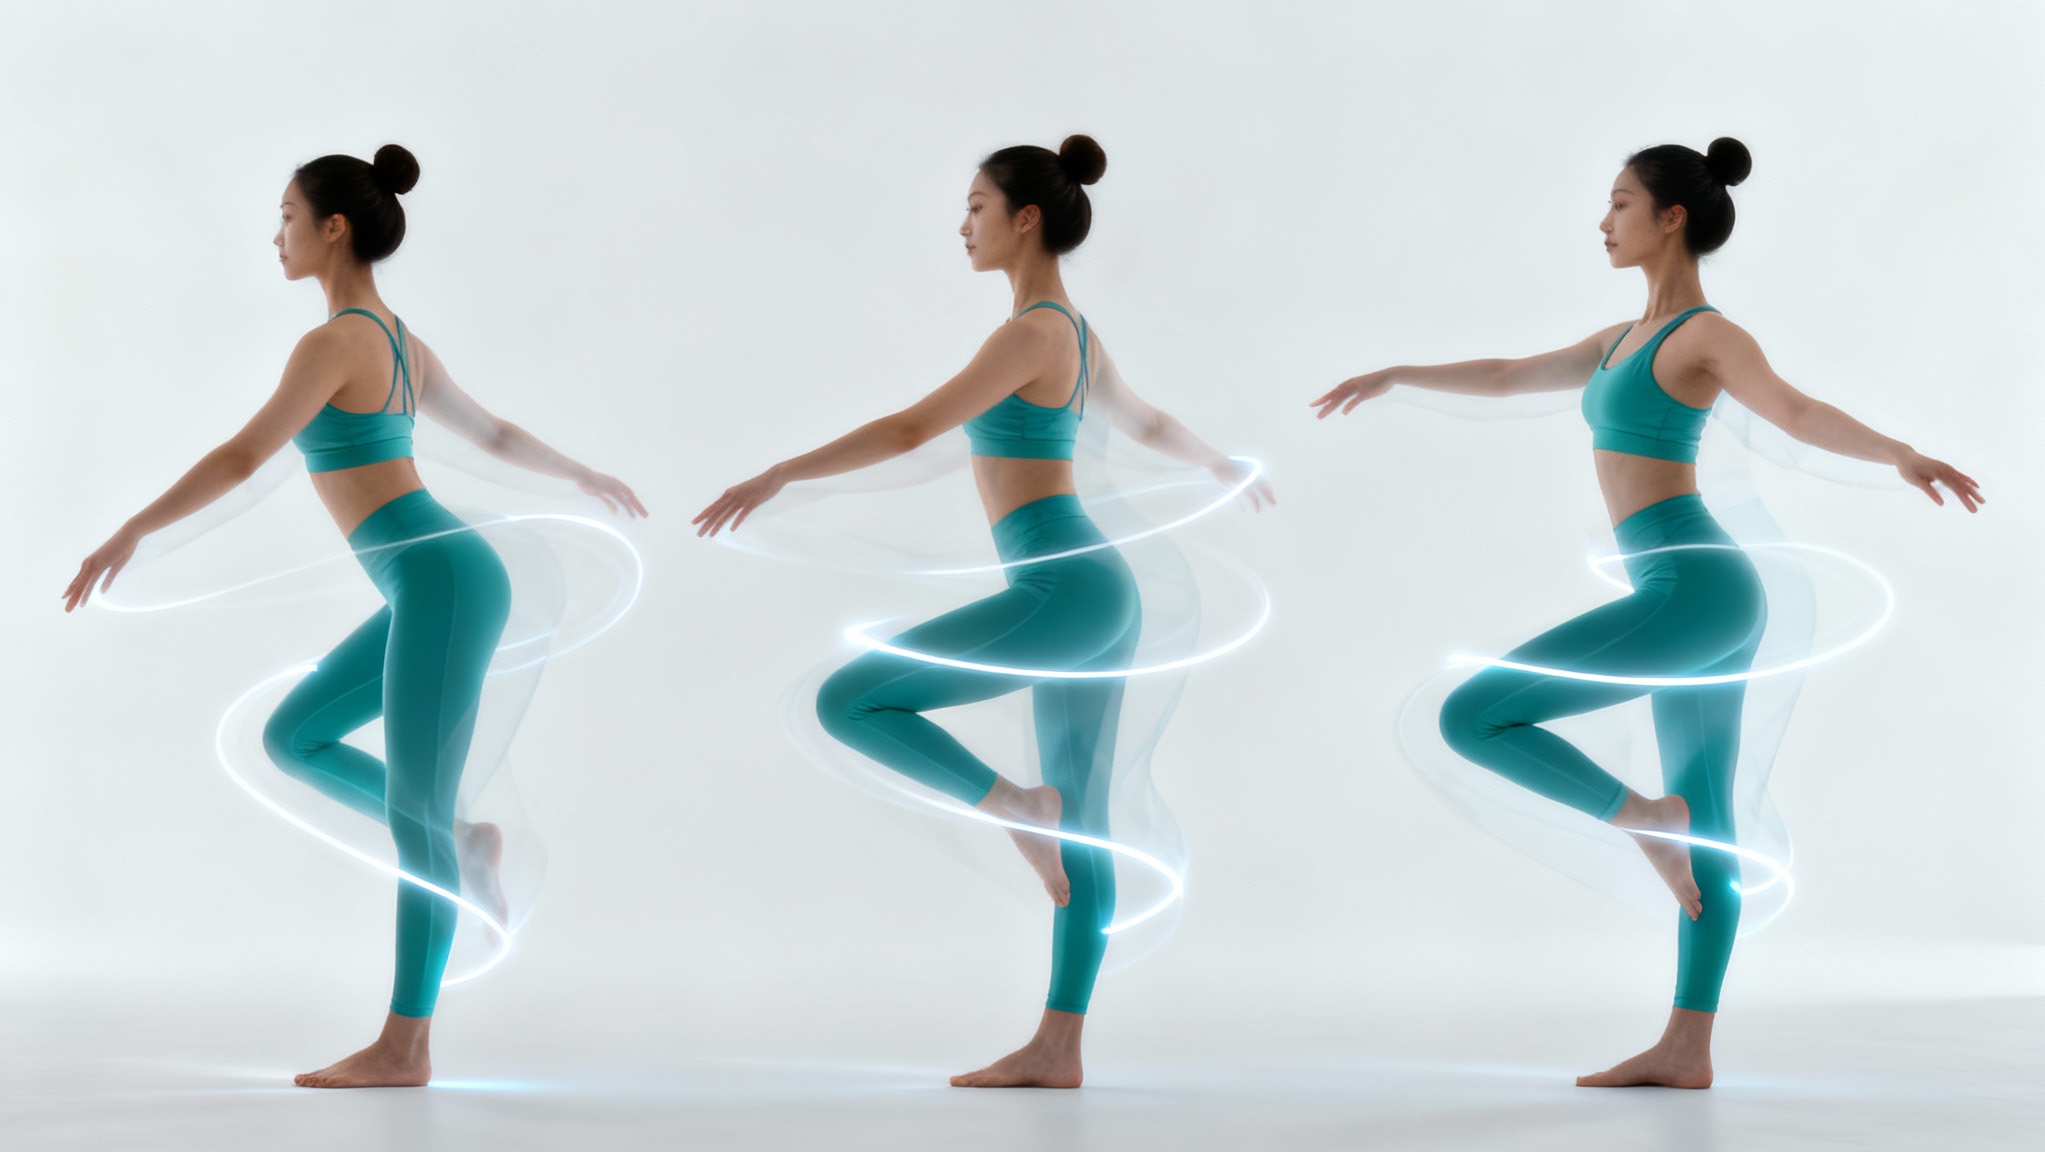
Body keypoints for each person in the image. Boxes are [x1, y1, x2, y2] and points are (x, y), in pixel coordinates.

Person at [1311, 137, 1981, 1088]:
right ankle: (1687, 1048)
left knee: (1474, 714)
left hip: (1696, 588)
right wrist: (1400, 373)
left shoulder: (1706, 335)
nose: (1604, 220)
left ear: (1672, 217)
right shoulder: (1618, 340)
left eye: (1621, 203)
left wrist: (1899, 451)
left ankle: (1644, 822)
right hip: (1682, 592)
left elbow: (1791, 411)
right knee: (1709, 822)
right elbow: (1507, 375)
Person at [63, 144, 646, 1088]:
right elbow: (490, 435)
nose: (278, 233)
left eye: (288, 215)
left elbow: (246, 454)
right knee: (295, 735)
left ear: (333, 226)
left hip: (443, 582)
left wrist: (133, 529)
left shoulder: (337, 342)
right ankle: (461, 844)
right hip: (433, 582)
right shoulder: (396, 338)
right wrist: (575, 472)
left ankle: (404, 1046)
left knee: (412, 812)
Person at [695, 135, 1271, 1088]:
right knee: (1082, 821)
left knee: (854, 701)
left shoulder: (1031, 334)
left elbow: (913, 426)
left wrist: (782, 471)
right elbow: (1148, 420)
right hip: (1089, 592)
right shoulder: (1073, 334)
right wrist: (1214, 463)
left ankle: (1014, 806)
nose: (963, 224)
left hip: (1062, 589)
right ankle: (1059, 1046)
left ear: (1026, 217)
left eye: (975, 206)